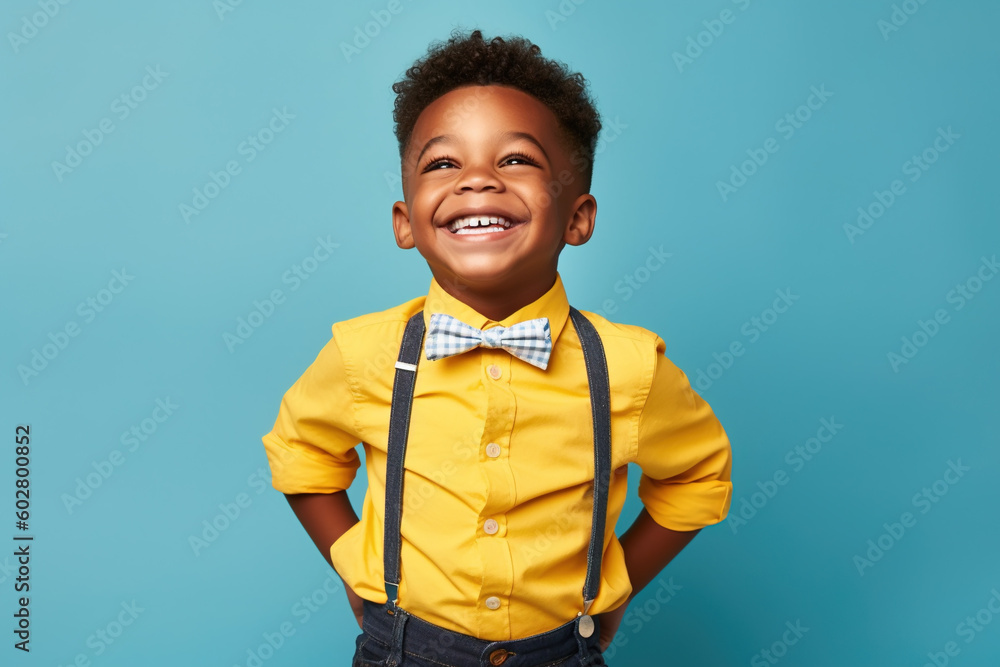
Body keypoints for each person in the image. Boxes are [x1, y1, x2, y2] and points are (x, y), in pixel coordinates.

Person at [261, 28, 733, 666]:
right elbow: (301, 451)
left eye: (516, 160)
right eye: (442, 163)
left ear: (578, 217)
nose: (477, 181)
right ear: (405, 223)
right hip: (403, 650)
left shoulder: (628, 368)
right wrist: (354, 564)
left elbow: (698, 473)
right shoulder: (362, 353)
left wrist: (615, 587)